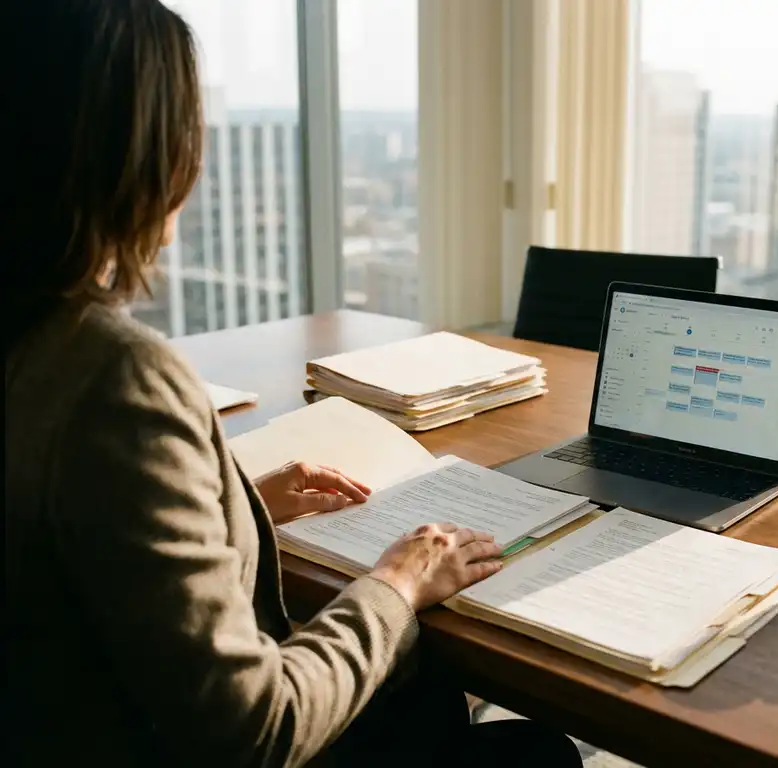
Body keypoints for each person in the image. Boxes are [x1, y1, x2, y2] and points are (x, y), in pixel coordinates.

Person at [4, 2, 582, 766]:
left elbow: (66, 536)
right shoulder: (119, 379)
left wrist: (234, 509)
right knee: (535, 754)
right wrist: (396, 583)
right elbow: (253, 729)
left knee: (424, 700)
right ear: (140, 152)